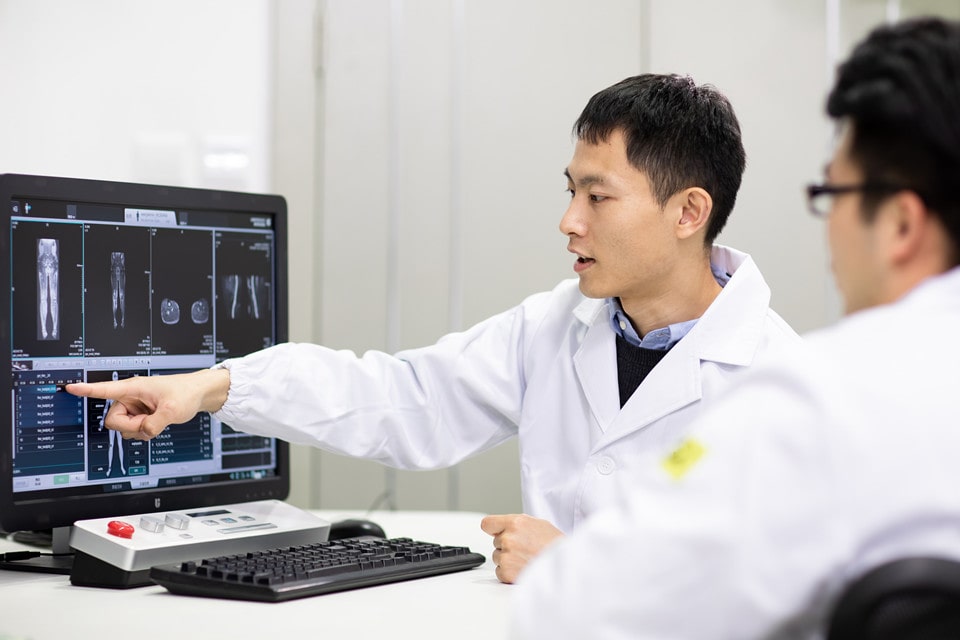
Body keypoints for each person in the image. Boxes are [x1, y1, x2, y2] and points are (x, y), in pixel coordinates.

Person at [66, 73, 800, 584]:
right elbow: (401, 398)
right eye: (570, 190)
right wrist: (213, 388)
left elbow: (785, 586)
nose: (568, 220)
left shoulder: (783, 382)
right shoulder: (553, 327)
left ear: (688, 212)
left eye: (597, 197)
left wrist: (584, 566)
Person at [509, 16, 960, 639]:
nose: (570, 222)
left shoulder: (816, 399)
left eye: (831, 194)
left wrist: (562, 559)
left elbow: (577, 608)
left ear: (901, 226)